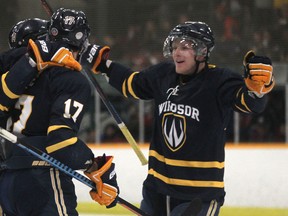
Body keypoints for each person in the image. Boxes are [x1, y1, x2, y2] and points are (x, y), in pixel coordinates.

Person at [80, 21, 275, 215]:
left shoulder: (219, 80)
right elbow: (132, 84)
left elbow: (250, 104)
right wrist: (103, 64)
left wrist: (257, 91)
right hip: (156, 192)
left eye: (184, 47)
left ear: (202, 52)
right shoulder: (163, 74)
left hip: (199, 196)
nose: (176, 53)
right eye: (174, 47)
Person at [0, 8, 119, 215]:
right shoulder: (71, 80)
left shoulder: (16, 74)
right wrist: (94, 166)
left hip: (6, 181)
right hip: (43, 178)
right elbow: (60, 143)